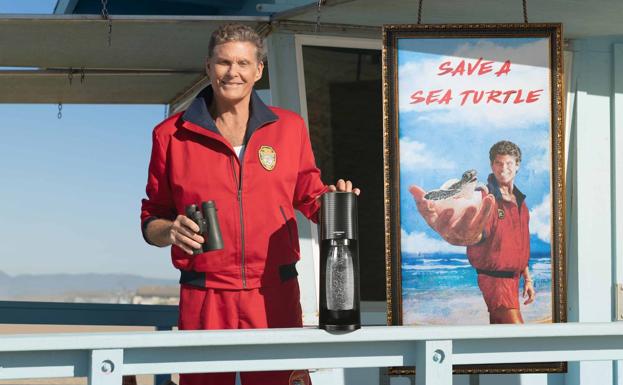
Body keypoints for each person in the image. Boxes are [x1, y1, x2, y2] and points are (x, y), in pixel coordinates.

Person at [140, 23, 359, 385]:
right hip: (204, 294)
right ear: (208, 67)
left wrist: (337, 202)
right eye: (224, 62)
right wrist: (171, 230)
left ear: (258, 70)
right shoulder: (170, 135)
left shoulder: (289, 128)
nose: (233, 72)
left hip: (274, 292)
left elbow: (310, 195)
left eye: (243, 63)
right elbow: (152, 219)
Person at [409, 140, 535, 324]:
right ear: (492, 165)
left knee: (503, 339)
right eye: (498, 163)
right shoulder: (483, 197)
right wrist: (463, 234)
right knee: (518, 339)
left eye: (509, 163)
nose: (503, 168)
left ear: (517, 166)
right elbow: (471, 221)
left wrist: (528, 279)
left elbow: (521, 245)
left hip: (514, 280)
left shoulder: (521, 204)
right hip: (495, 281)